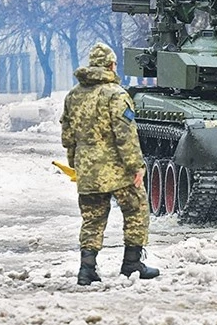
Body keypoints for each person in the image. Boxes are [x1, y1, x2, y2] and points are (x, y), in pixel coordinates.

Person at [60, 42, 159, 285]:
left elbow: (68, 135)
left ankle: (87, 269)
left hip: (88, 170)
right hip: (118, 170)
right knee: (136, 211)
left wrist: (75, 164)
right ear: (111, 65)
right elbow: (125, 134)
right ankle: (132, 263)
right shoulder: (116, 94)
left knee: (92, 218)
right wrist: (136, 166)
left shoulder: (73, 95)